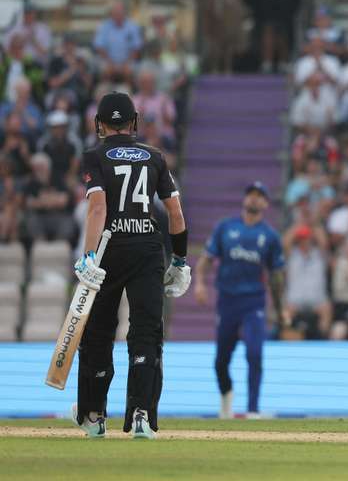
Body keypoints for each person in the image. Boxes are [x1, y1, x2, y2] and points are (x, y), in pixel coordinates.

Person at [72, 92, 190, 439]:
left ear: (100, 124)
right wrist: (180, 261)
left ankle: (94, 417)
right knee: (146, 333)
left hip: (110, 250)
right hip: (147, 251)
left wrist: (89, 257)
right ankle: (141, 414)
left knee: (98, 334)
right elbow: (176, 214)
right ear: (134, 123)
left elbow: (97, 210)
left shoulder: (93, 156)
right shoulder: (155, 157)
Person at [193, 182, 286, 419]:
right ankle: (227, 399)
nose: (254, 199)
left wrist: (280, 308)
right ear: (245, 200)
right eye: (250, 195)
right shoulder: (226, 227)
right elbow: (206, 258)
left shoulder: (270, 236)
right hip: (227, 301)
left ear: (265, 203)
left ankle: (253, 409)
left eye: (259, 196)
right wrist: (200, 283)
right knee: (221, 360)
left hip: (253, 302)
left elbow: (276, 276)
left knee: (255, 353)